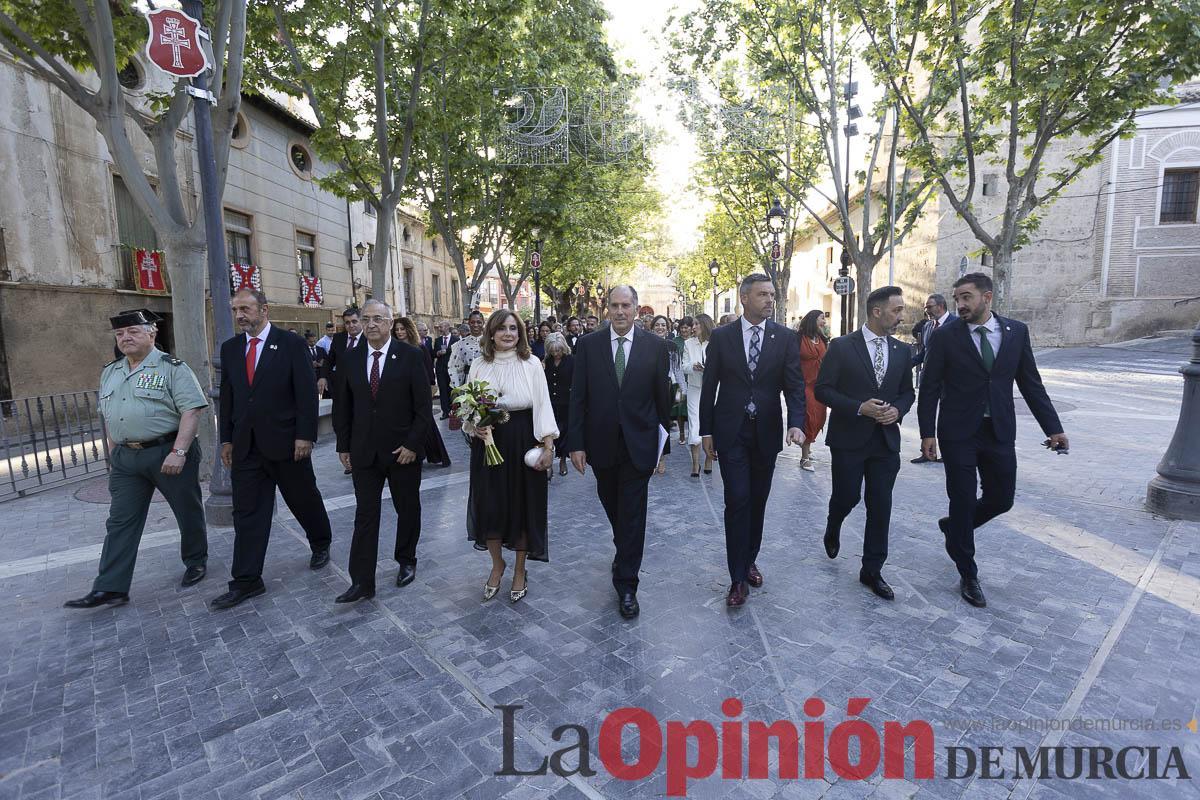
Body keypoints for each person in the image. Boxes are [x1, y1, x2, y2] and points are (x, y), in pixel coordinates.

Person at [918, 273, 1068, 608]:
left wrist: (1053, 428)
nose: (960, 304)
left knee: (1001, 499)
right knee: (962, 498)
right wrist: (927, 432)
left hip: (998, 430)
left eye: (966, 297)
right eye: (957, 298)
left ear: (987, 297)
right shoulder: (945, 336)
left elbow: (1031, 384)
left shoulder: (1016, 332)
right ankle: (968, 573)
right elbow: (929, 387)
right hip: (958, 432)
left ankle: (955, 528)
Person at [64, 310, 210, 609]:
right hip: (126, 458)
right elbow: (110, 416)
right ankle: (110, 587)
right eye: (120, 334)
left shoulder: (173, 368)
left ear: (151, 333)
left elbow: (192, 410)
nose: (125, 338)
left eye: (132, 331)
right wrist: (112, 455)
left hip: (167, 451)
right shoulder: (111, 371)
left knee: (187, 510)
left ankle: (196, 560)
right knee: (120, 520)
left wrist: (179, 452)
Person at [212, 288, 334, 610]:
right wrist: (226, 439)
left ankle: (320, 541)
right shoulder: (230, 349)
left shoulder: (291, 344)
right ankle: (247, 580)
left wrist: (304, 435)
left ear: (264, 310)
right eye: (235, 310)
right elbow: (228, 398)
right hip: (247, 447)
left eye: (245, 309)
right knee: (247, 513)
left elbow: (306, 392)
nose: (239, 315)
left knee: (303, 499)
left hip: (288, 444)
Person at [699, 275, 805, 608]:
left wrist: (796, 423)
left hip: (766, 432)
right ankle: (737, 578)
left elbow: (794, 385)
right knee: (737, 500)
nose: (770, 300)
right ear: (744, 298)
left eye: (772, 294)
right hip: (731, 432)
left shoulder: (785, 338)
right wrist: (706, 431)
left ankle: (749, 560)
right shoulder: (722, 337)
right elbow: (709, 386)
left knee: (757, 501)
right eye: (762, 294)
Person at [568, 286, 670, 619]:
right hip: (601, 445)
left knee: (633, 514)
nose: (620, 311)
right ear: (607, 309)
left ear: (637, 309)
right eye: (615, 305)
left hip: (640, 445)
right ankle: (623, 546)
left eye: (626, 305)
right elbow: (578, 397)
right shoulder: (588, 345)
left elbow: (662, 399)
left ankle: (627, 585)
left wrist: (663, 449)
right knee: (614, 506)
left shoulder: (656, 347)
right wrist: (576, 443)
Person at [814, 288, 915, 600]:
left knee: (880, 505)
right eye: (897, 310)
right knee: (847, 496)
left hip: (885, 442)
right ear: (877, 311)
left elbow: (907, 392)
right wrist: (860, 407)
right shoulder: (842, 346)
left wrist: (898, 410)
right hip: (849, 439)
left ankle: (872, 569)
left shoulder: (903, 351)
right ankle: (834, 523)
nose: (901, 317)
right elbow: (823, 390)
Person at [332, 300, 434, 603]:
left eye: (378, 318)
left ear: (390, 322)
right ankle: (362, 581)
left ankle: (406, 560)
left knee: (407, 508)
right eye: (366, 319)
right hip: (364, 452)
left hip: (403, 451)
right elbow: (342, 406)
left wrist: (413, 444)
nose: (371, 324)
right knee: (365, 514)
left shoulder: (411, 355)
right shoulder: (350, 358)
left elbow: (423, 408)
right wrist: (343, 445)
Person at [464, 309, 558, 603]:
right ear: (491, 333)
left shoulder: (532, 363)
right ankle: (497, 565)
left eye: (513, 328)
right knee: (489, 505)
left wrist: (548, 447)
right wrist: (474, 426)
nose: (508, 333)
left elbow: (543, 404)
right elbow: (469, 405)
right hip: (488, 441)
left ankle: (519, 570)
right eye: (502, 328)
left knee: (522, 506)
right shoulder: (479, 364)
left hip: (522, 439)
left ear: (521, 333)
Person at [394, 317, 450, 467]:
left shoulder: (420, 347)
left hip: (419, 391)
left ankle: (437, 455)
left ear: (409, 330)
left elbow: (428, 370)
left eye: (402, 329)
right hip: (401, 393)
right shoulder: (393, 349)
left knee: (426, 423)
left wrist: (429, 387)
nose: (399, 332)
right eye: (397, 329)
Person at [911, 293, 955, 463]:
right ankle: (927, 452)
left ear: (940, 306)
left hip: (950, 380)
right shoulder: (928, 326)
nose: (926, 311)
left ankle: (947, 453)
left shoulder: (957, 324)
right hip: (929, 379)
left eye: (929, 307)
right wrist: (907, 364)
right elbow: (925, 352)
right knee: (925, 411)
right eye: (925, 307)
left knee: (947, 416)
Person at [797, 310, 830, 472]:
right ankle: (804, 457)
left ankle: (808, 446)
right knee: (810, 418)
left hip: (819, 385)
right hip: (803, 384)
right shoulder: (798, 338)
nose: (824, 321)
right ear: (812, 320)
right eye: (821, 318)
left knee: (819, 418)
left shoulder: (822, 339)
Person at [682, 314, 714, 477]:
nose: (693, 327)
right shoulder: (688, 343)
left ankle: (709, 459)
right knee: (694, 424)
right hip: (694, 388)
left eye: (696, 324)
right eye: (692, 324)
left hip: (713, 389)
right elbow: (684, 366)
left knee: (711, 423)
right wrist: (693, 367)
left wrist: (707, 368)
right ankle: (695, 464)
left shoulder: (715, 343)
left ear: (705, 325)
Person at [543, 332, 574, 478]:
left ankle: (562, 460)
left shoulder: (572, 361)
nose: (556, 354)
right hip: (549, 403)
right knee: (550, 433)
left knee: (564, 433)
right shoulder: (546, 361)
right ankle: (549, 462)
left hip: (566, 403)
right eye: (553, 351)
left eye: (558, 350)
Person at [649, 315, 676, 475]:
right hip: (647, 387)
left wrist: (682, 391)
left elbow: (677, 370)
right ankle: (652, 456)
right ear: (652, 328)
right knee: (649, 421)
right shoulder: (646, 344)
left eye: (663, 325)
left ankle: (662, 457)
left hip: (666, 388)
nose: (660, 327)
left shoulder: (671, 346)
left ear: (668, 328)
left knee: (663, 422)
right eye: (657, 325)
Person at [449, 311, 485, 388]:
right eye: (472, 322)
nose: (475, 325)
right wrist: (457, 387)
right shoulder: (460, 344)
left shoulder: (491, 342)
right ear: (469, 323)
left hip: (487, 380)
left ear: (483, 323)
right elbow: (454, 366)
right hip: (468, 381)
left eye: (479, 322)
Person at [672, 317, 693, 445]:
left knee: (692, 407)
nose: (684, 330)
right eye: (682, 327)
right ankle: (681, 433)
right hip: (679, 381)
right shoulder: (675, 342)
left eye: (687, 327)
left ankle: (693, 431)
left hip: (692, 379)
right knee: (679, 407)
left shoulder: (695, 340)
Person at [433, 320, 459, 419]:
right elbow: (434, 353)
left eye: (441, 326)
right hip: (441, 369)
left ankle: (454, 410)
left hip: (452, 369)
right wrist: (437, 353)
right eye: (439, 327)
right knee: (443, 390)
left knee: (452, 390)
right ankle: (445, 411)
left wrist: (446, 351)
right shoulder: (438, 340)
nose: (440, 329)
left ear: (448, 327)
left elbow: (457, 352)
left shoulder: (456, 339)